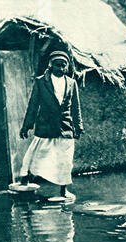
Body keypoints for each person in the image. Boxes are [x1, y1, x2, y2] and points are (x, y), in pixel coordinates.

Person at [19, 50, 84, 199]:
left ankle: (63, 190)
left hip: (65, 127)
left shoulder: (71, 83)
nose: (60, 68)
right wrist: (26, 126)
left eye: (63, 65)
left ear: (67, 67)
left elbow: (76, 107)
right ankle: (25, 178)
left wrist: (78, 127)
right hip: (45, 125)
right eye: (57, 65)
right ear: (50, 65)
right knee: (35, 153)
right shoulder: (41, 82)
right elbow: (33, 105)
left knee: (65, 160)